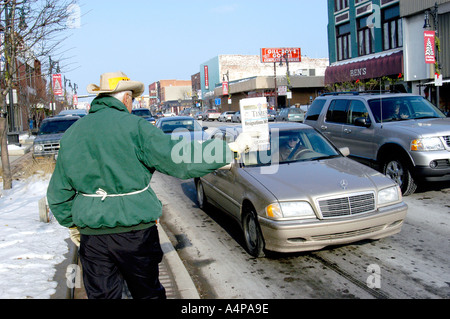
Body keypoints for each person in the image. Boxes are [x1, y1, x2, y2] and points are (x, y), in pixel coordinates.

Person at [46, 71, 250, 299]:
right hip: (136, 234)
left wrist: (74, 225)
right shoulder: (136, 128)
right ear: (125, 99)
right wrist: (227, 150)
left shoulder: (73, 134)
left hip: (93, 238)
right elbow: (178, 159)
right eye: (131, 99)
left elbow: (57, 194)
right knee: (147, 295)